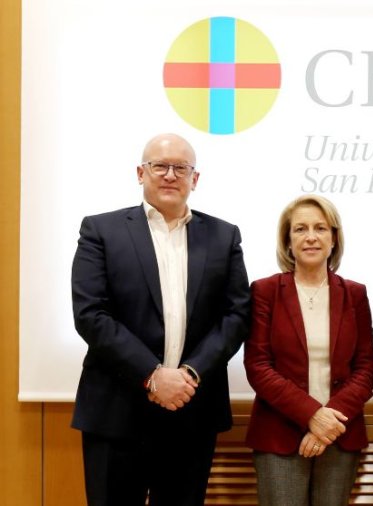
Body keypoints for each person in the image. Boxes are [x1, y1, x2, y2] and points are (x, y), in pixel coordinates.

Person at [71, 133, 251, 506]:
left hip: (192, 411)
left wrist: (190, 374)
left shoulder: (223, 236)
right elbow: (91, 314)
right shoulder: (100, 231)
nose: (170, 175)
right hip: (116, 413)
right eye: (160, 166)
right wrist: (153, 375)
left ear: (194, 179)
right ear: (141, 172)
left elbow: (236, 314)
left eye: (181, 168)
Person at [244, 194, 373, 506]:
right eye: (300, 229)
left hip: (339, 433)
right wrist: (311, 415)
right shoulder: (265, 292)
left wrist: (326, 426)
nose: (311, 237)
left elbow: (366, 367)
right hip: (279, 434)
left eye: (320, 228)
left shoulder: (355, 294)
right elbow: (258, 366)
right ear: (288, 241)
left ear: (334, 239)